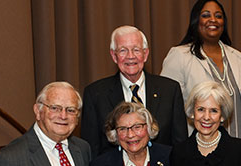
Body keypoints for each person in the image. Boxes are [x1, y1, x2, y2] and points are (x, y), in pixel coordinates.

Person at [81, 25, 188, 155]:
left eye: (136, 50)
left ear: (145, 54)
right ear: (114, 56)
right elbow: (92, 149)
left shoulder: (170, 90)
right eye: (123, 51)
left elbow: (180, 145)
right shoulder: (95, 94)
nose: (130, 56)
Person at [161, 0, 241, 142]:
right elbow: (167, 108)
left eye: (218, 16)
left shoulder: (239, 58)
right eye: (205, 15)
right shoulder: (179, 56)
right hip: (200, 151)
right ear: (196, 20)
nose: (213, 20)